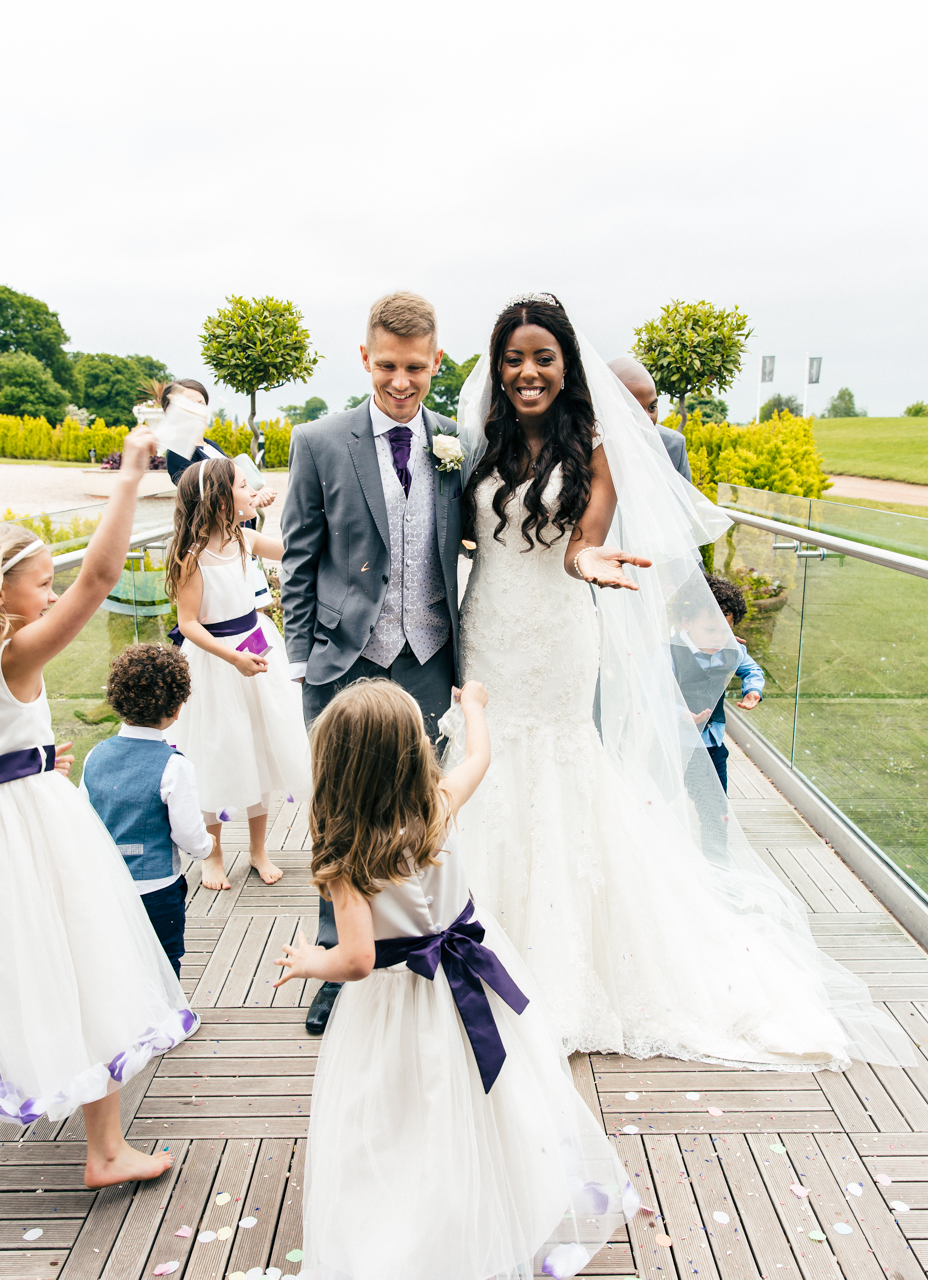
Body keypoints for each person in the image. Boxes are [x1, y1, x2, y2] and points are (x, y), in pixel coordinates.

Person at [447, 293, 911, 1069]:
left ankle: (559, 966)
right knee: (483, 766)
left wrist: (586, 559)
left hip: (559, 630)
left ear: (566, 367)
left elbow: (582, 542)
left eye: (543, 357)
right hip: (489, 626)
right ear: (498, 367)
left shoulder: (593, 448)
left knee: (556, 766)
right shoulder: (476, 443)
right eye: (515, 358)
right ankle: (472, 943)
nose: (528, 372)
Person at [274, 679, 641, 1279]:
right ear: (412, 753)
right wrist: (472, 706)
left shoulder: (346, 856)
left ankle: (412, 1228)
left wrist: (310, 961)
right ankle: (509, 1197)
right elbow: (480, 758)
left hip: (397, 1005)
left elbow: (359, 960)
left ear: (335, 766)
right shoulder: (437, 807)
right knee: (482, 1091)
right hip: (467, 980)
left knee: (400, 1106)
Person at [0, 427, 198, 1188]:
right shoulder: (16, 655)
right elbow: (100, 579)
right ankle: (105, 1149)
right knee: (82, 961)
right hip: (31, 828)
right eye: (40, 582)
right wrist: (130, 479)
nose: (51, 592)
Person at [279, 291, 468, 1035]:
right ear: (365, 357)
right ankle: (338, 957)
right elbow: (299, 557)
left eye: (415, 368)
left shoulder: (457, 442)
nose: (400, 381)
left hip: (427, 654)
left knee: (421, 810)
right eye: (387, 365)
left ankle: (416, 945)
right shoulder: (319, 440)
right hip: (344, 660)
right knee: (340, 818)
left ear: (435, 363)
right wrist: (302, 659)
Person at [166, 457, 308, 889]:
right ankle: (213, 853)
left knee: (261, 746)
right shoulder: (192, 558)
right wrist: (232, 658)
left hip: (259, 647)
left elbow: (294, 550)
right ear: (220, 501)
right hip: (216, 662)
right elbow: (189, 624)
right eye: (244, 487)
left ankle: (259, 849)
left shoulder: (244, 539)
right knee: (219, 751)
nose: (252, 493)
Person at [78, 643, 211, 975]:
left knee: (117, 959)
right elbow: (189, 837)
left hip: (106, 884)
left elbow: (82, 819)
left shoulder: (95, 755)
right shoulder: (174, 767)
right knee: (164, 961)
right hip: (157, 889)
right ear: (177, 707)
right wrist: (207, 846)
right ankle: (170, 1020)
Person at [154, 380, 276, 610]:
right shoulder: (179, 453)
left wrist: (254, 495)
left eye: (201, 403)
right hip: (215, 544)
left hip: (235, 535)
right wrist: (251, 500)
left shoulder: (211, 445)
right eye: (188, 404)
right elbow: (202, 499)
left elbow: (232, 486)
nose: (197, 410)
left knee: (255, 612)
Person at [688, 573, 763, 795]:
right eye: (711, 630)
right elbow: (653, 693)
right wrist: (678, 714)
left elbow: (751, 669)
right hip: (673, 744)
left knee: (717, 810)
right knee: (655, 808)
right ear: (686, 622)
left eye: (726, 630)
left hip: (712, 744)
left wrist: (752, 690)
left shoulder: (732, 649)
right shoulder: (669, 653)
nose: (719, 638)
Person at [608, 355, 693, 480]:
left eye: (652, 408)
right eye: (634, 410)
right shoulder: (583, 447)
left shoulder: (674, 447)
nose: (646, 419)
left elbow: (684, 499)